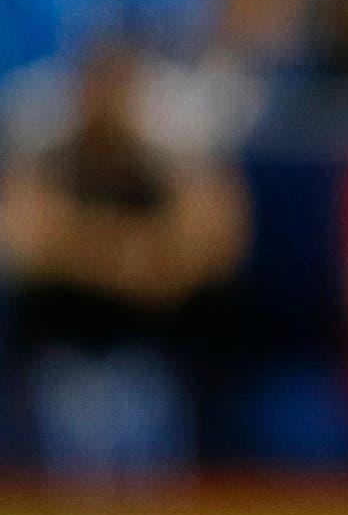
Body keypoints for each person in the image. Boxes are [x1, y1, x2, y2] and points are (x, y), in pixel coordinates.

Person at [0, 31, 250, 474]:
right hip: (61, 357)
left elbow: (213, 247)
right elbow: (22, 243)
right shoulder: (53, 158)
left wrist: (75, 242)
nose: (107, 100)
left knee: (145, 418)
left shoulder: (163, 166)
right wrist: (129, 253)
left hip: (150, 360)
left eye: (120, 87)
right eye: (98, 85)